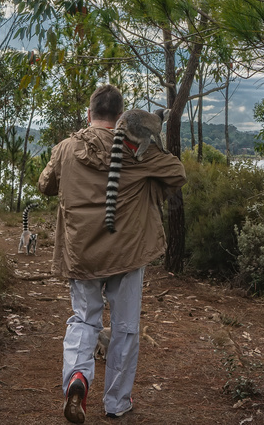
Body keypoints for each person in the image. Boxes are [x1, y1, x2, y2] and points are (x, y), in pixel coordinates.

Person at [38, 84, 187, 423]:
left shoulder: (65, 148)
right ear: (120, 118)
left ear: (89, 115)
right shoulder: (139, 150)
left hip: (82, 253)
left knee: (83, 319)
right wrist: (148, 180)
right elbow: (177, 174)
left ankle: (78, 379)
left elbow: (45, 185)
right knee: (125, 326)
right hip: (128, 251)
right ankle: (117, 402)